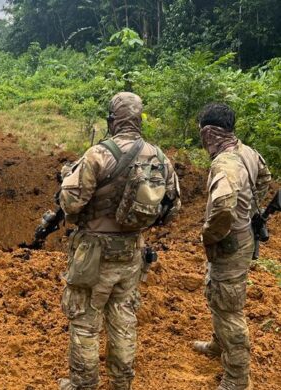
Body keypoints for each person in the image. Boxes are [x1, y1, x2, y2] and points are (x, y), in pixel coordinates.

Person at [58, 92, 181, 390]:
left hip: (93, 255)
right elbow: (172, 207)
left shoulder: (98, 155)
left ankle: (84, 383)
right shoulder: (159, 157)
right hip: (132, 253)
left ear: (113, 121)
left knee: (86, 319)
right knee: (124, 317)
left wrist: (65, 181)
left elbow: (71, 203)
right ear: (138, 121)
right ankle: (122, 382)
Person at [193, 103, 271, 390]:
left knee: (229, 308)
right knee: (219, 293)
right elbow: (264, 178)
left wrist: (209, 234)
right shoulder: (247, 151)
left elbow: (223, 207)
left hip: (229, 243)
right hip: (243, 236)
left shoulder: (224, 164)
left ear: (210, 134)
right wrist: (248, 209)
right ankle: (218, 343)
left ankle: (237, 380)